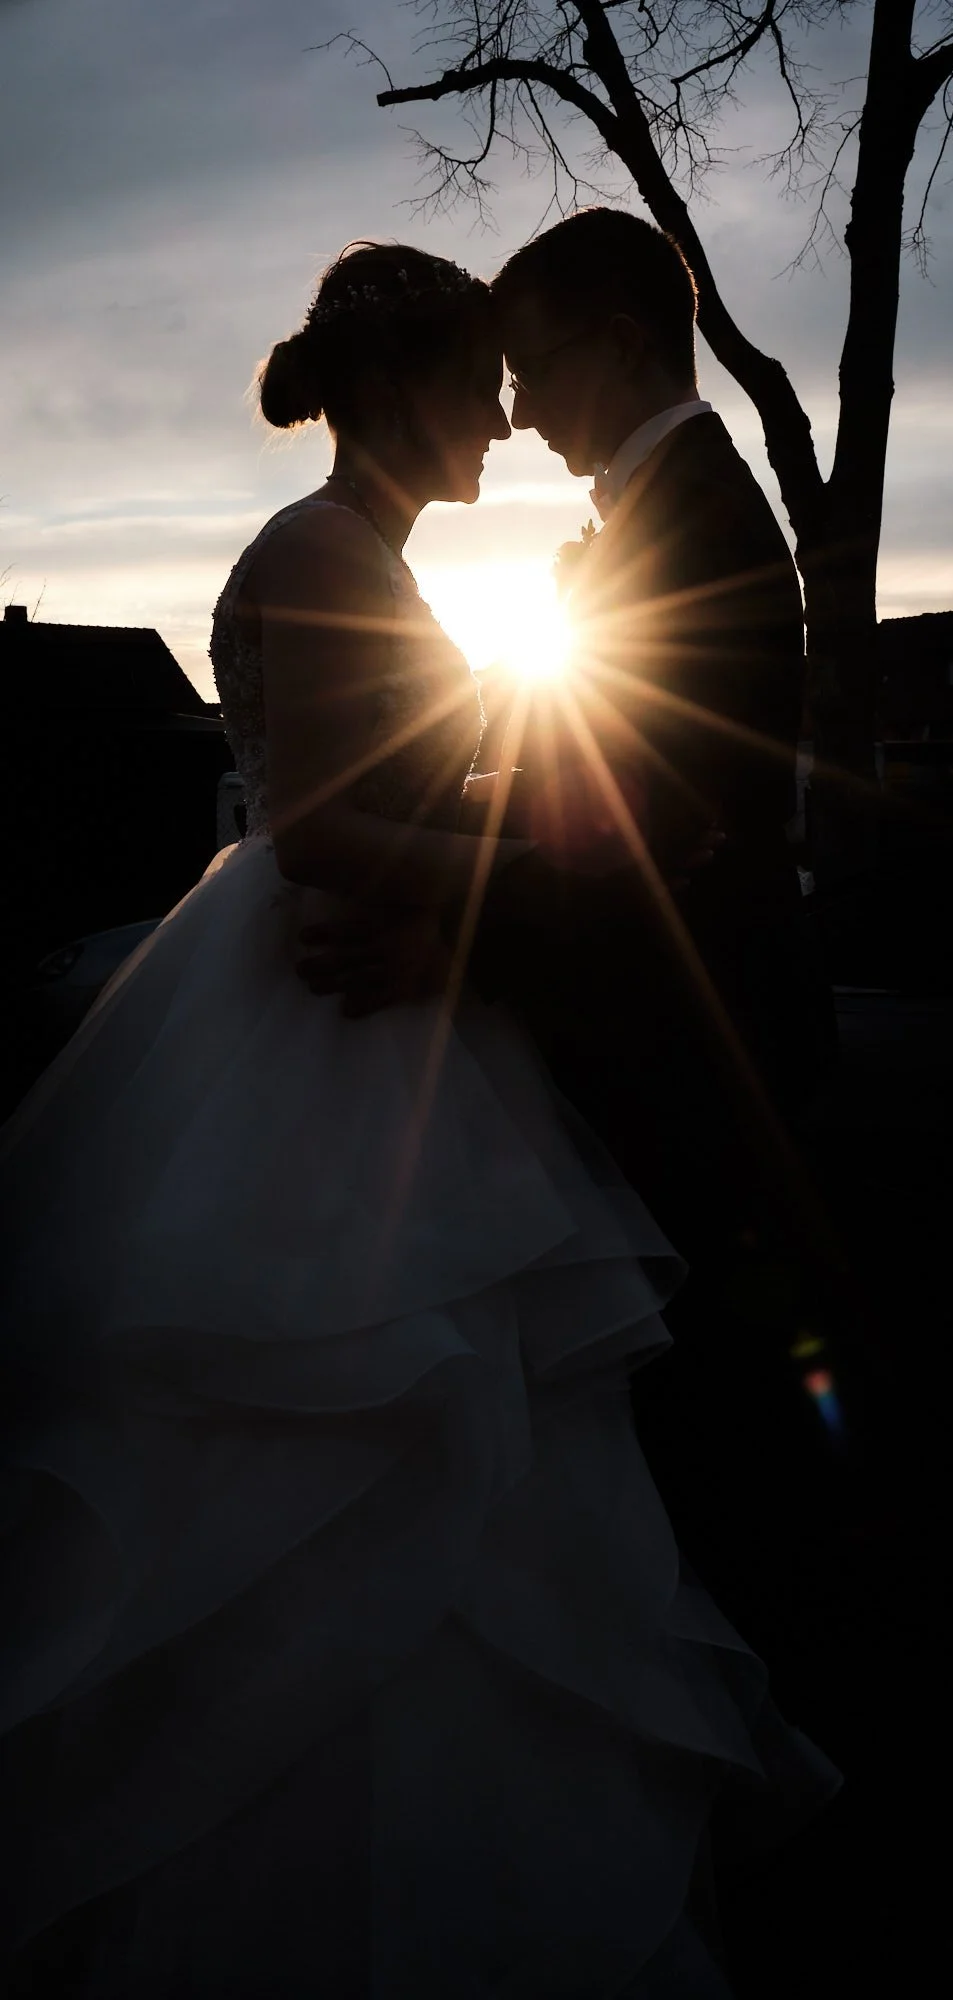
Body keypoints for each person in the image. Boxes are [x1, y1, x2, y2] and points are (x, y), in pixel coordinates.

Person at [0, 241, 841, 1999]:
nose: (505, 417)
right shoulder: (318, 558)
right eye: (481, 379)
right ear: (401, 392)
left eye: (520, 373)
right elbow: (317, 829)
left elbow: (438, 796)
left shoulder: (373, 559)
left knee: (487, 1429)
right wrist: (525, 866)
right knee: (342, 1432)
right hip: (323, 1037)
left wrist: (503, 866)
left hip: (414, 1019)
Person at [295, 210, 853, 1730]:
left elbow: (652, 847)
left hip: (697, 1063)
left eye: (532, 365)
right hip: (652, 1049)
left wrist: (444, 930)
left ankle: (757, 1747)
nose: (520, 403)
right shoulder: (657, 512)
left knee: (719, 1438)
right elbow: (586, 806)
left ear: (615, 336)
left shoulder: (702, 527)